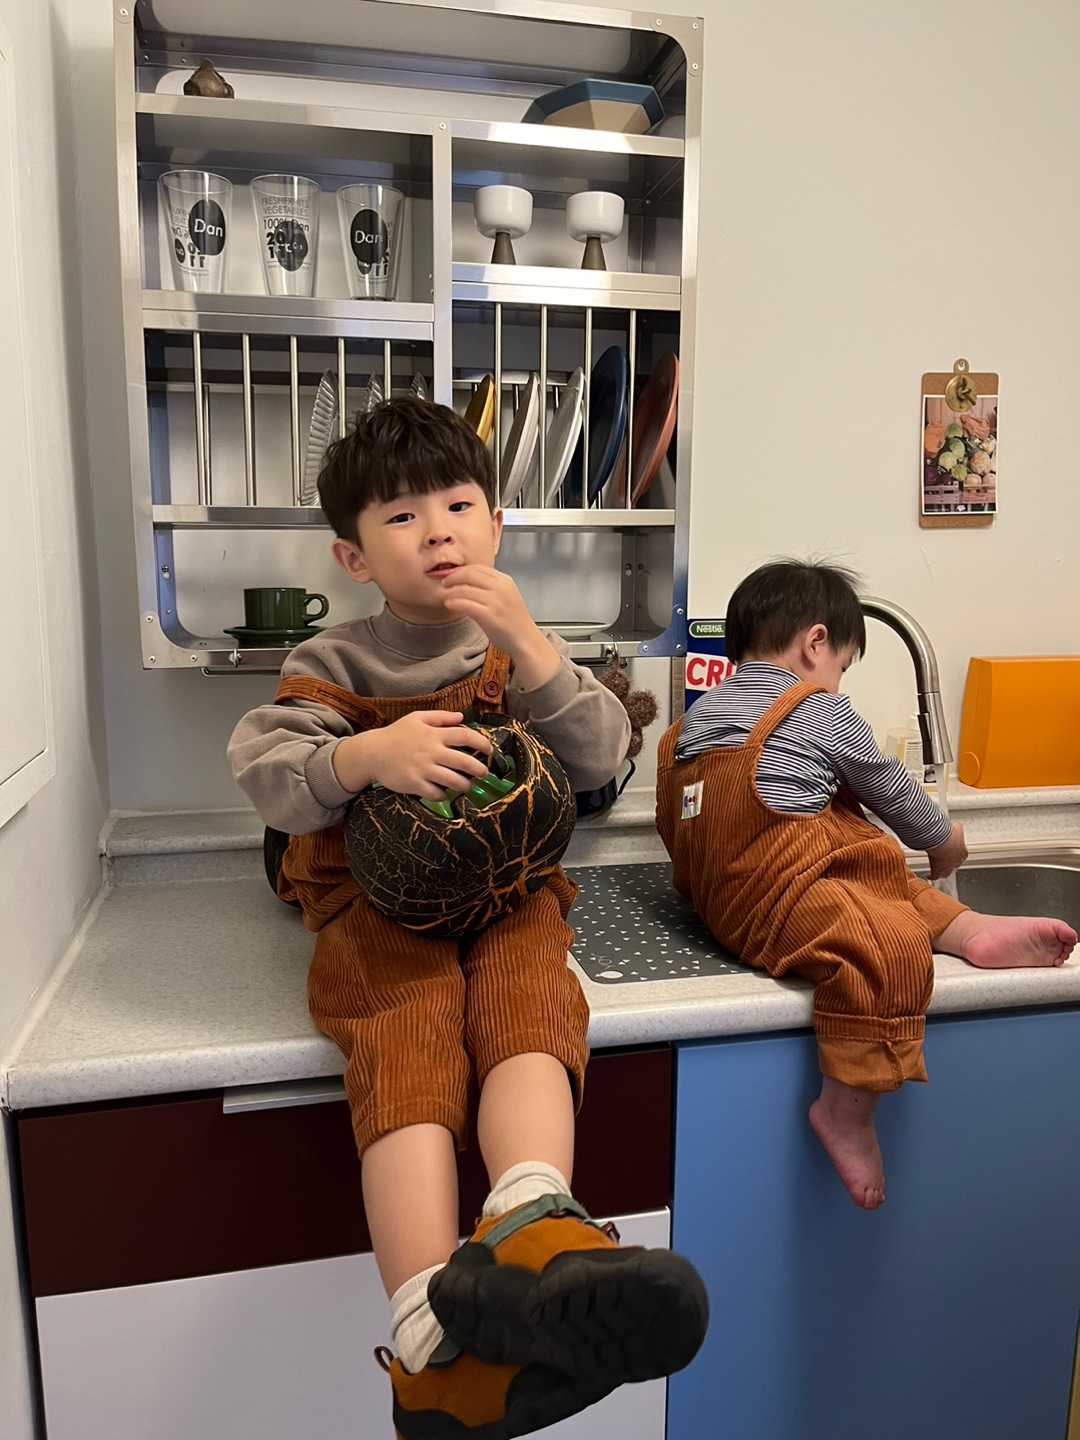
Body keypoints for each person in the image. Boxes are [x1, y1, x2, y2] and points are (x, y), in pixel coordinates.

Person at [229, 397, 707, 1440]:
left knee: (533, 1000)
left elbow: (601, 759)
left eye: (457, 505)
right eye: (401, 517)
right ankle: (428, 1338)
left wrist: (531, 644)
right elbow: (267, 773)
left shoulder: (518, 648)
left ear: (496, 525)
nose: (437, 531)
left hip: (507, 893)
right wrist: (366, 754)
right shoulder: (336, 662)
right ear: (353, 557)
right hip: (375, 908)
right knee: (407, 1031)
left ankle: (534, 1219)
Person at [656, 560, 1076, 1212]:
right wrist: (943, 839)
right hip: (777, 895)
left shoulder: (692, 724)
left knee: (887, 879)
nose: (838, 680)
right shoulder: (816, 707)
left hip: (731, 893)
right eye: (843, 666)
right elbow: (888, 786)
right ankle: (845, 1111)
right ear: (815, 643)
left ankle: (972, 931)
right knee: (884, 941)